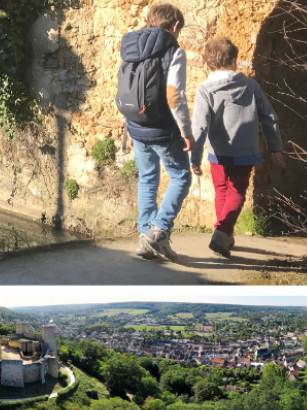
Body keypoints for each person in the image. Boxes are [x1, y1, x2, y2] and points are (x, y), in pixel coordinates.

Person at [190, 38, 285, 257]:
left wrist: (194, 156)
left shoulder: (205, 89)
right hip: (245, 151)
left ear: (209, 62)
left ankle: (221, 233)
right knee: (236, 193)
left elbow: (199, 125)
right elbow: (269, 117)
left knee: (222, 191)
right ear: (233, 60)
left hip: (218, 152)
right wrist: (275, 147)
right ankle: (223, 232)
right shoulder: (251, 86)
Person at [117, 3, 194, 262]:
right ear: (175, 27)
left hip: (137, 127)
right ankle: (158, 232)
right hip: (163, 129)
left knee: (147, 178)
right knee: (181, 176)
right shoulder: (174, 51)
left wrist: (127, 128)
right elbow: (174, 96)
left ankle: (144, 237)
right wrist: (186, 130)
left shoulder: (130, 46)